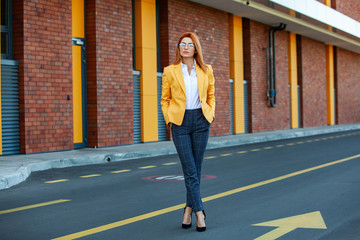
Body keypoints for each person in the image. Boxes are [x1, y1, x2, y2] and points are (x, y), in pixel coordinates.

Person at [161, 32, 215, 232]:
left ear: (195, 48)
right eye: (182, 44)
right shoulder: (170, 70)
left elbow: (211, 95)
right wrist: (170, 119)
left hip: (201, 121)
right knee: (190, 170)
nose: (185, 47)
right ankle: (200, 212)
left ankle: (187, 210)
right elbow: (164, 98)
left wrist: (210, 114)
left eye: (189, 44)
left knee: (195, 171)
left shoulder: (206, 69)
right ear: (178, 48)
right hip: (180, 123)